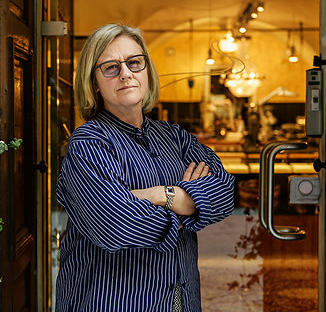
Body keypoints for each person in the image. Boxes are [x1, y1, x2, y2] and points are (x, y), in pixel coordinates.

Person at [55, 23, 235, 312]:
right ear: (94, 84)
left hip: (180, 299)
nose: (126, 73)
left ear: (147, 70)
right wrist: (187, 207)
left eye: (134, 63)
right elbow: (114, 226)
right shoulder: (88, 143)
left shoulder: (174, 137)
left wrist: (159, 195)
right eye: (111, 67)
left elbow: (225, 193)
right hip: (110, 302)